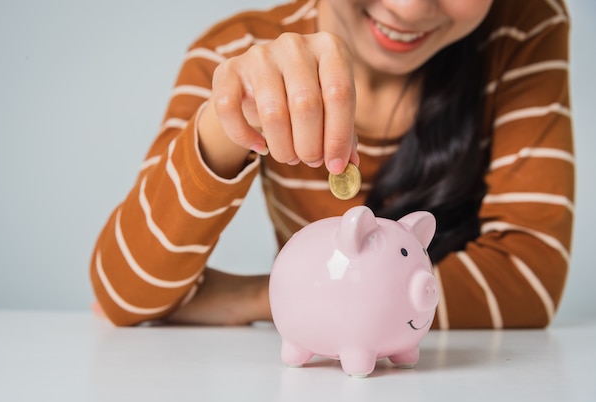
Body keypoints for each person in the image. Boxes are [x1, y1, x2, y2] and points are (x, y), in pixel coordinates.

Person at [90, 0, 574, 329]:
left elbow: (528, 278)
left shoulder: (523, 25)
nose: (408, 9)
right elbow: (124, 295)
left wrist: (278, 297)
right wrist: (224, 125)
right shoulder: (232, 57)